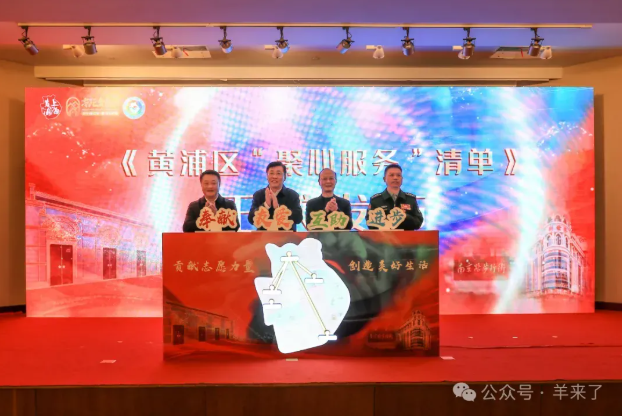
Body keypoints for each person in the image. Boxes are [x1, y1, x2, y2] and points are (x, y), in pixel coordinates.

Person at [366, 164, 423, 230]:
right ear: (384, 179)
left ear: (402, 179)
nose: (395, 178)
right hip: (383, 236)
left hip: (406, 236)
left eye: (398, 175)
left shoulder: (410, 199)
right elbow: (370, 223)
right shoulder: (376, 200)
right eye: (391, 175)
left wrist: (405, 217)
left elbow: (418, 222)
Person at [248, 161, 303, 231]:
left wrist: (278, 208)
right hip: (263, 236)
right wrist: (266, 205)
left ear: (285, 177)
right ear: (267, 176)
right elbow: (251, 219)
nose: (274, 177)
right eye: (271, 173)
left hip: (287, 236)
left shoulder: (292, 195)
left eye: (278, 173)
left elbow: (298, 218)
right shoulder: (259, 195)